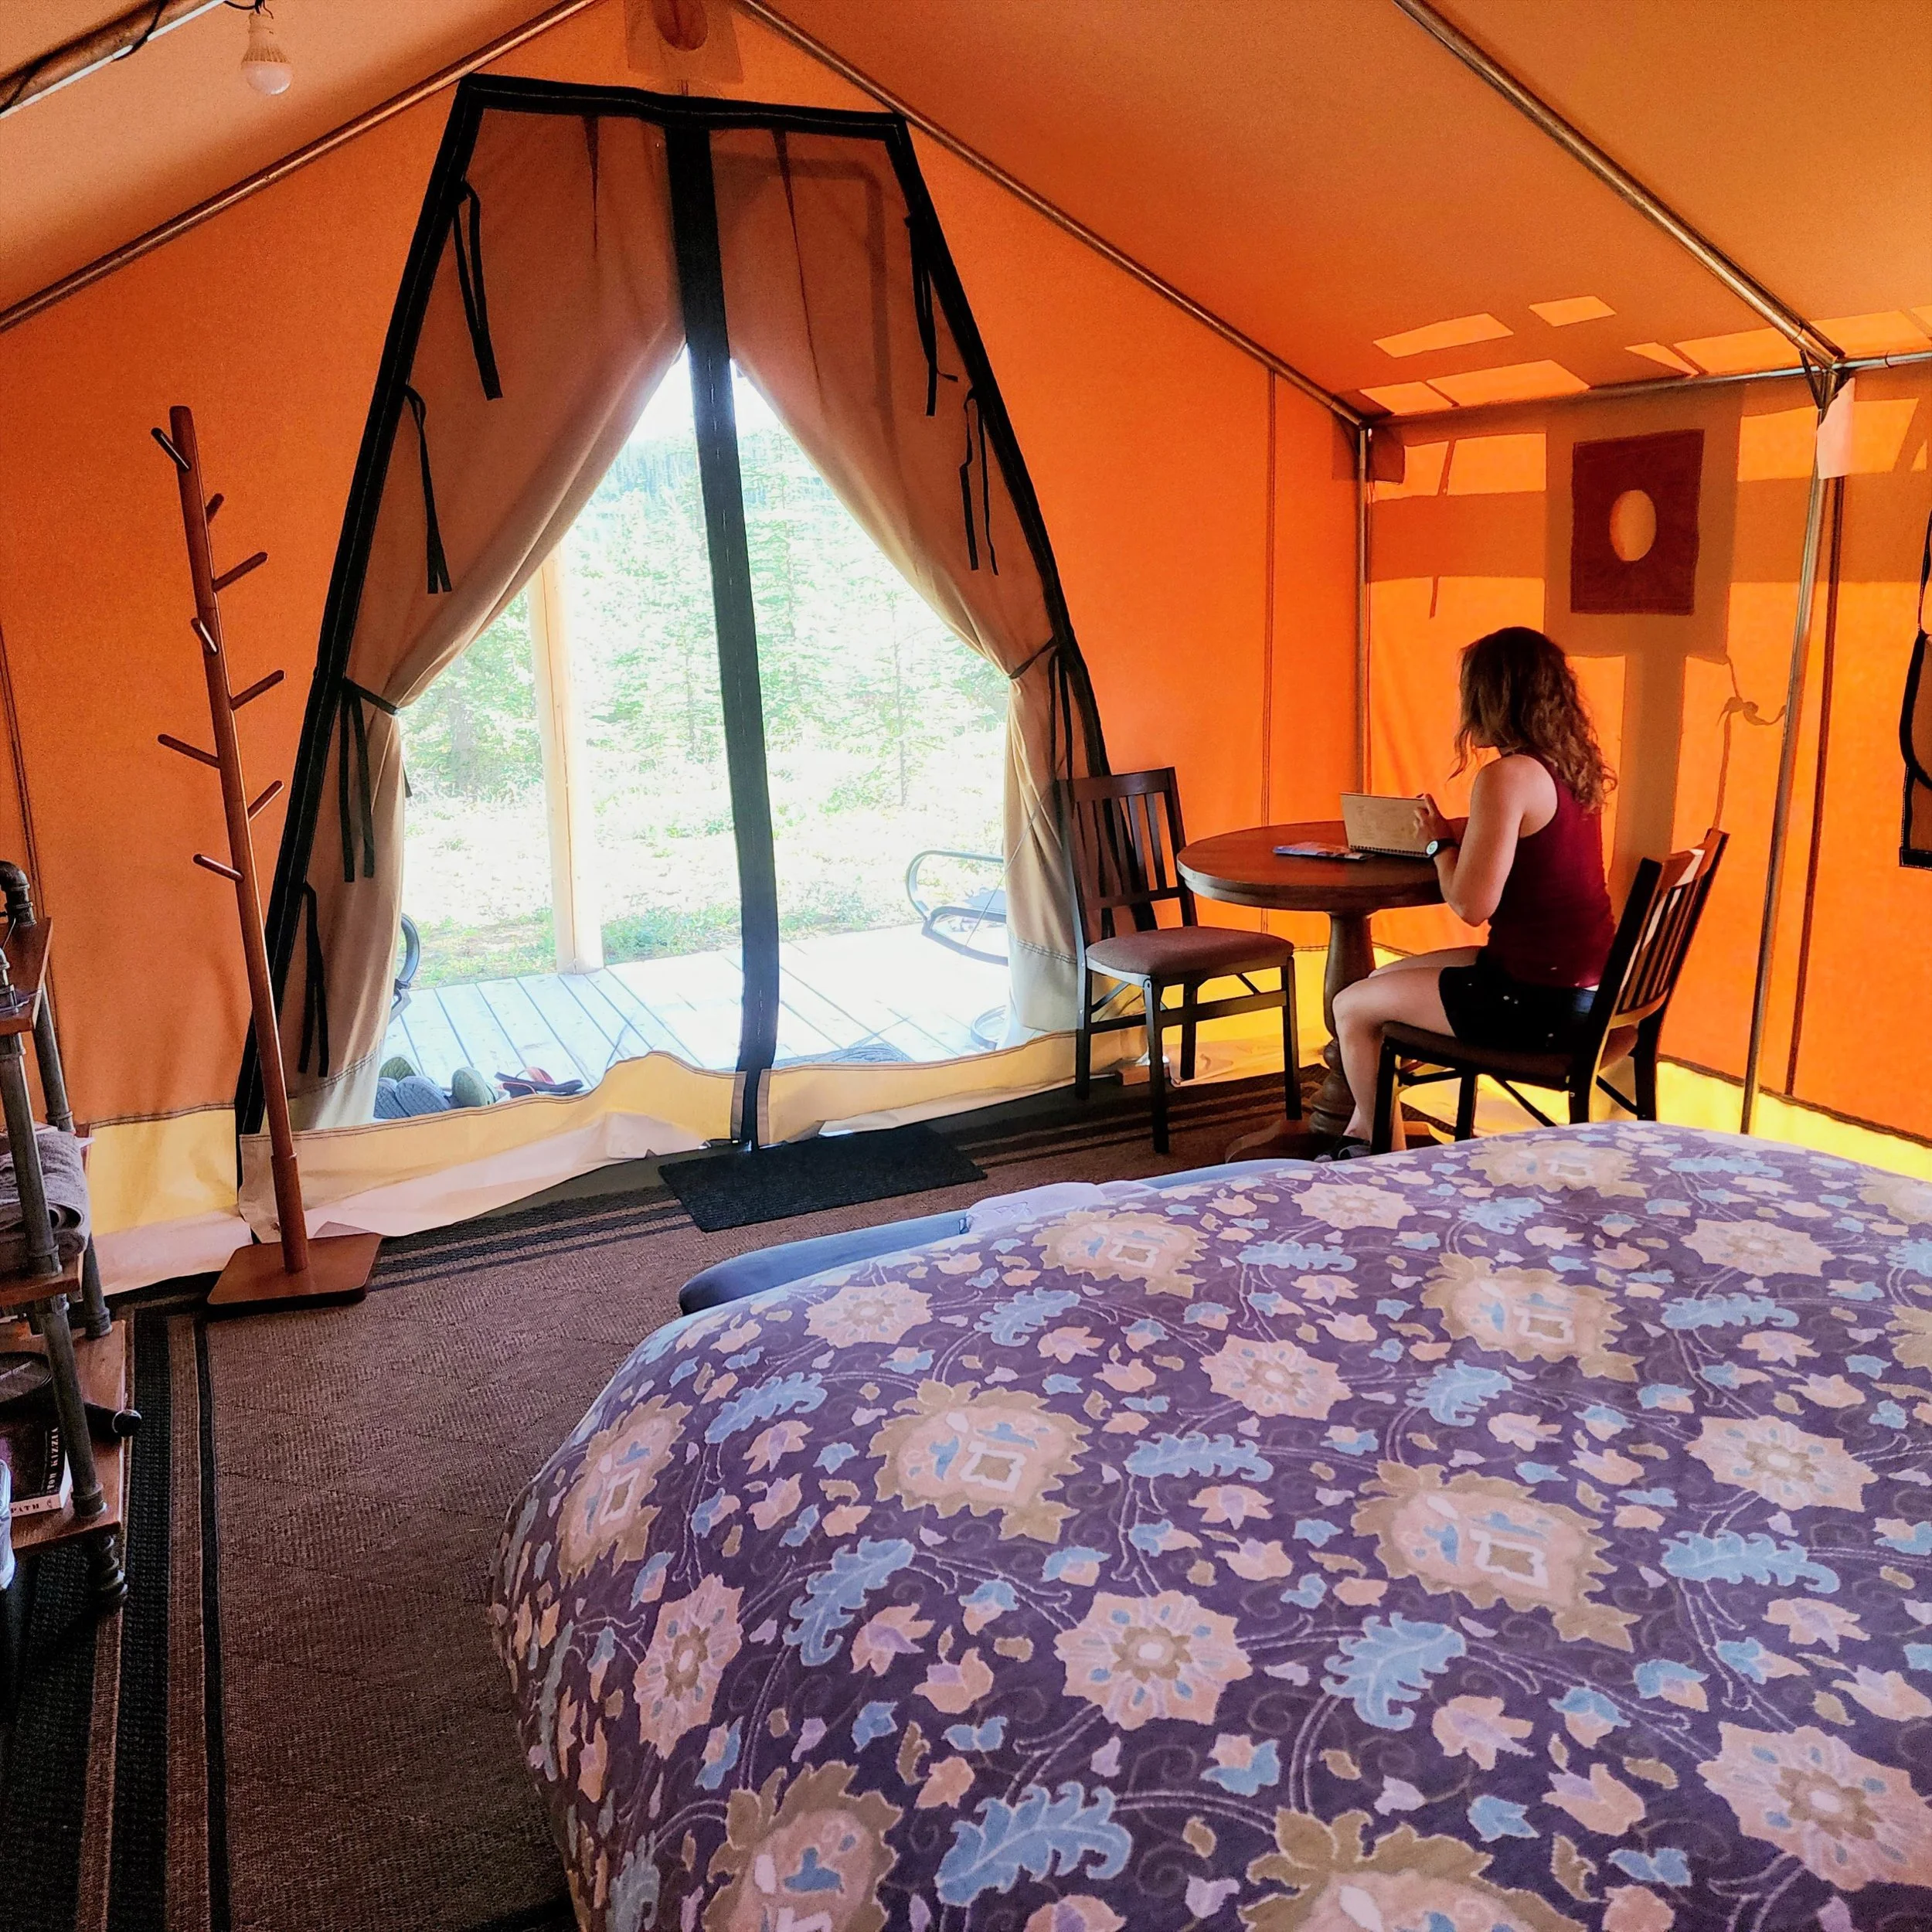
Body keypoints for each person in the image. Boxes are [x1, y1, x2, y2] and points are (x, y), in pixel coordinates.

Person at [1326, 625, 1616, 1158]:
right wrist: (1456, 829)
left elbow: (1470, 904)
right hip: (1595, 991)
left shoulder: (1506, 777)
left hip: (1538, 1004)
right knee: (1379, 979)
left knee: (1351, 1006)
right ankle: (1365, 1130)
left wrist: (1440, 847)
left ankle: (1380, 1155)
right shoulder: (1571, 766)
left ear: (1492, 698)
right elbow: (1531, 838)